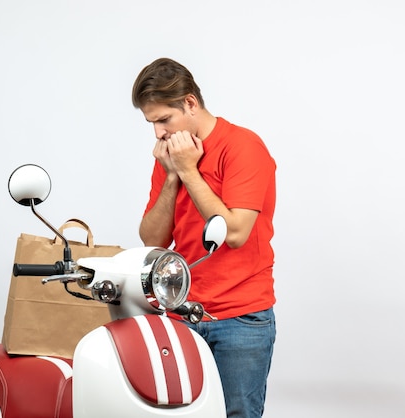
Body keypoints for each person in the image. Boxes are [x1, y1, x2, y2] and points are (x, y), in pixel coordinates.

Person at [131, 57, 277, 418]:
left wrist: (187, 170)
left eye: (164, 119)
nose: (159, 133)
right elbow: (153, 241)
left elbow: (236, 233)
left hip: (240, 317)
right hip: (182, 310)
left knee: (237, 414)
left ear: (191, 104)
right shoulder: (172, 157)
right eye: (151, 123)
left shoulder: (243, 146)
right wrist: (171, 177)